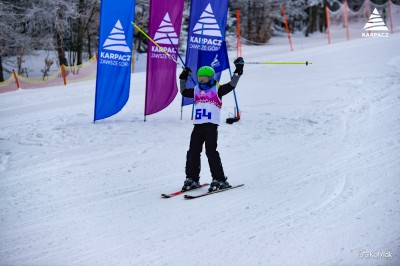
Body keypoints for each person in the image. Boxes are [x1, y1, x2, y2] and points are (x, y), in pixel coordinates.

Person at [179, 57, 244, 192]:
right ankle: (192, 178)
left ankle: (219, 179)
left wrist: (238, 70)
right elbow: (184, 91)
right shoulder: (196, 90)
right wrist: (183, 77)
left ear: (211, 78)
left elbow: (232, 84)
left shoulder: (217, 89)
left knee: (211, 152)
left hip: (211, 126)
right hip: (198, 126)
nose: (201, 80)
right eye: (200, 78)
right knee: (193, 152)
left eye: (204, 78)